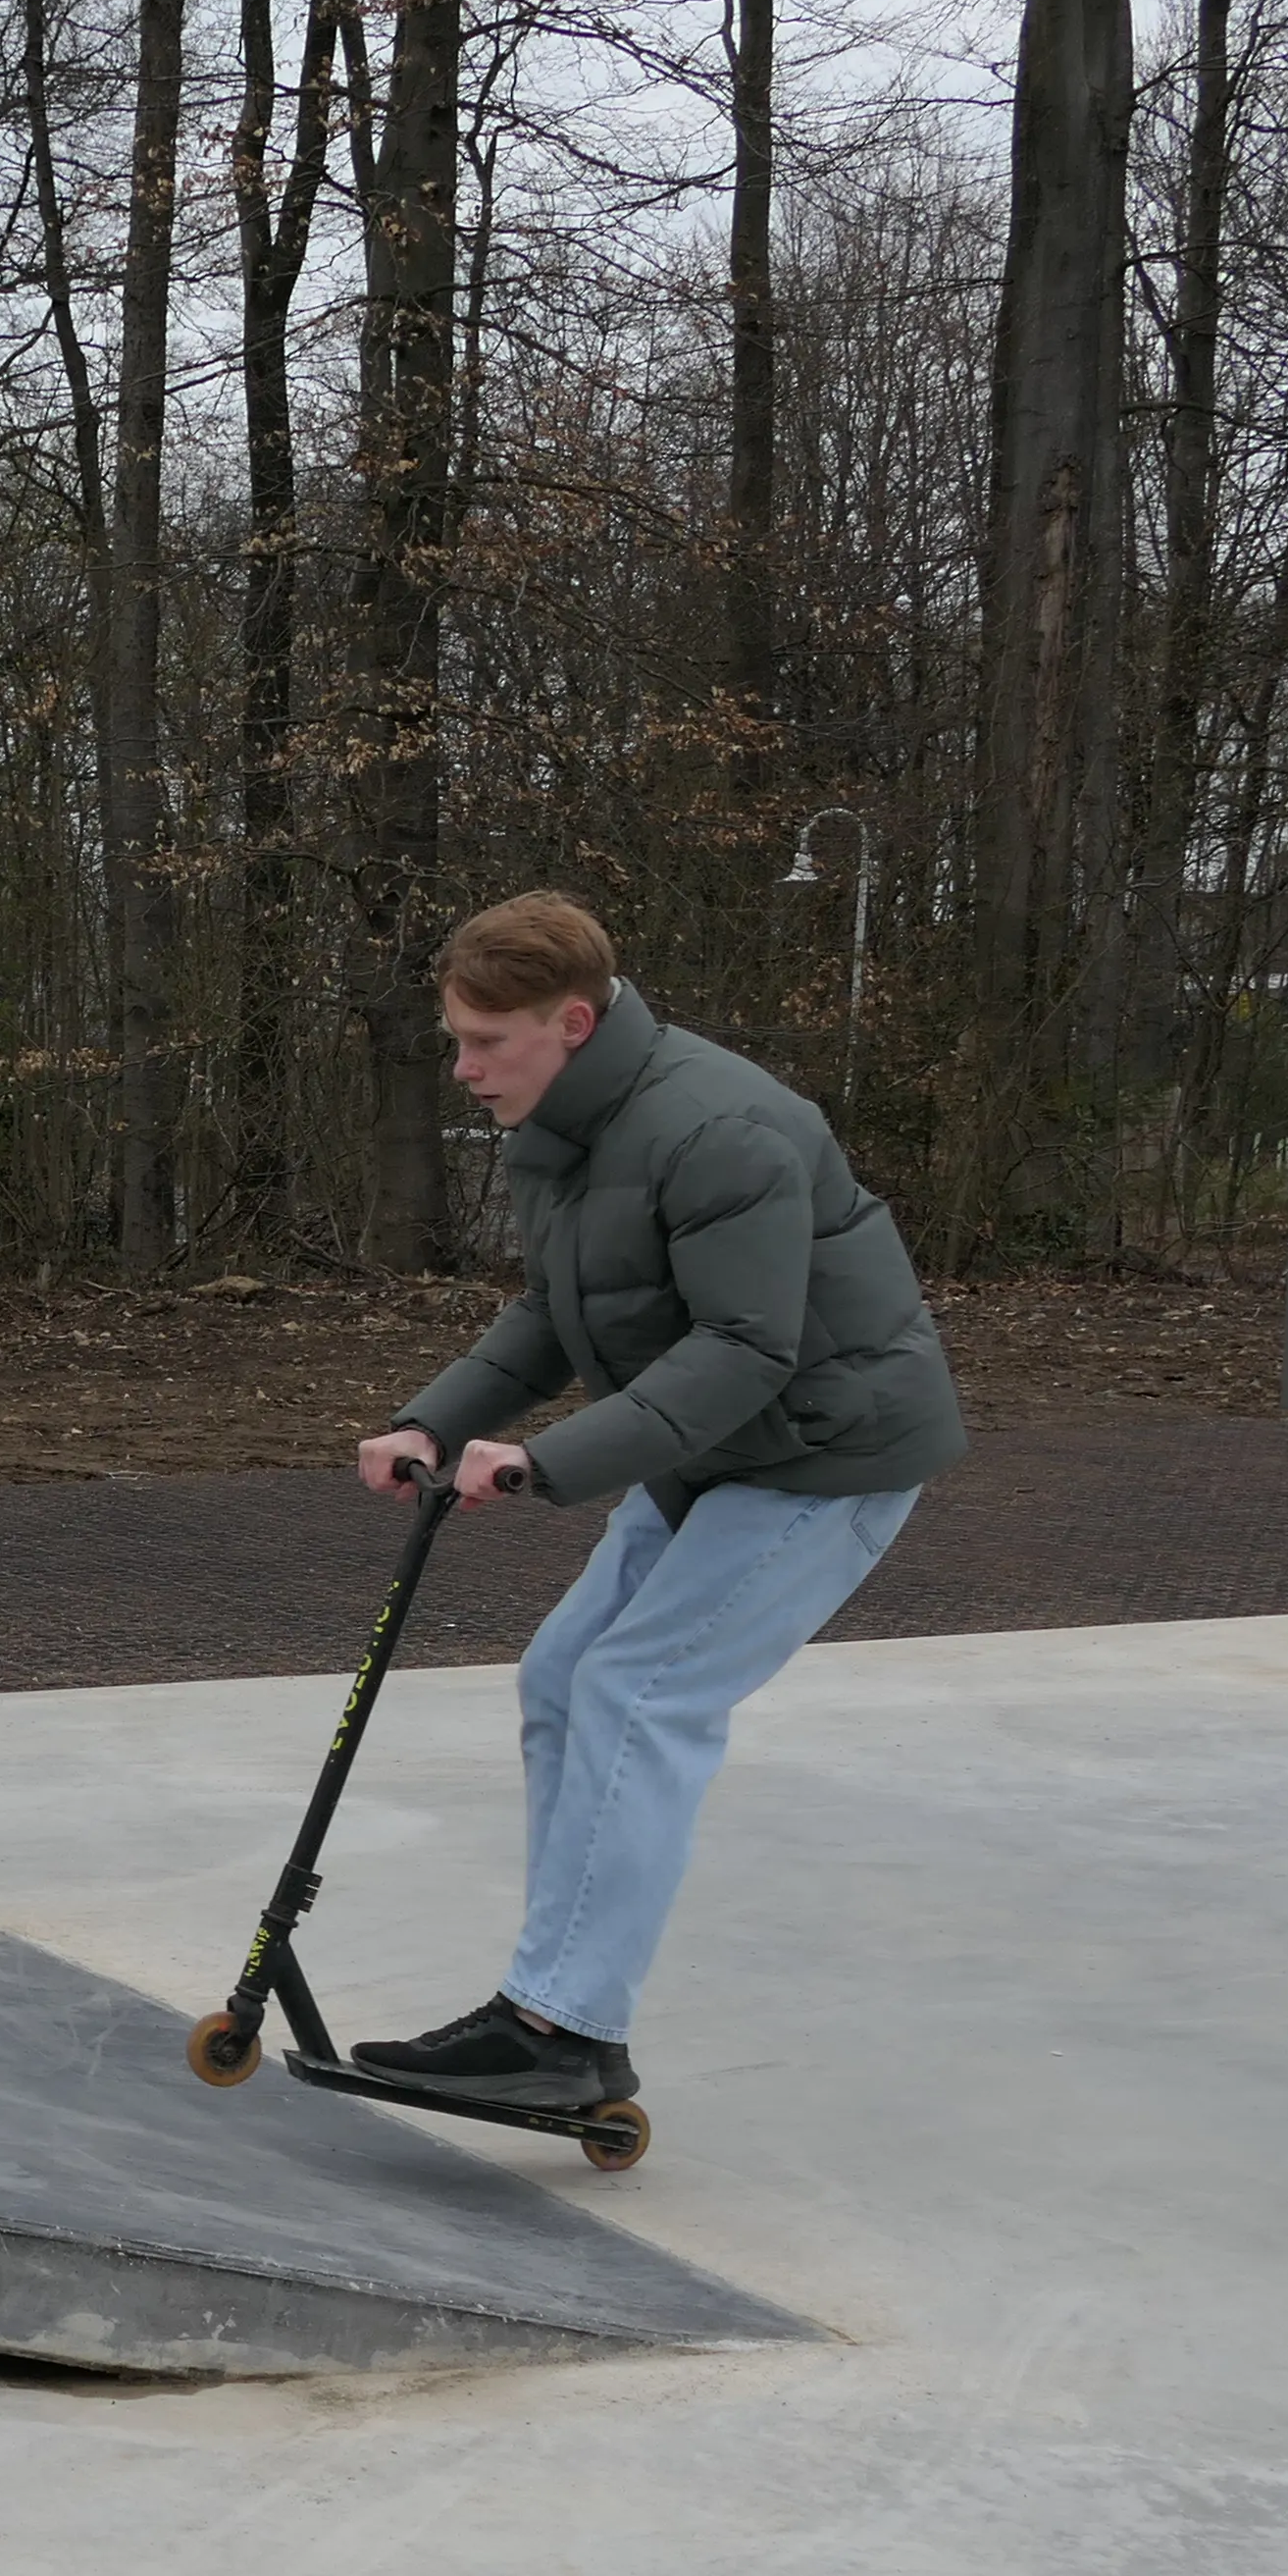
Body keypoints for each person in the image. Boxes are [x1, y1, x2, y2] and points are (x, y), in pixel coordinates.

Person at [350, 891, 967, 2110]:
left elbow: (748, 1348)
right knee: (559, 1681)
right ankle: (548, 2007)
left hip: (822, 1458)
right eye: (456, 1042)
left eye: (488, 1042)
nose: (465, 1069)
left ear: (572, 1021)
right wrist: (439, 1418)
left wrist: (547, 1459)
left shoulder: (719, 1128)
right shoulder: (565, 1126)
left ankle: (562, 2030)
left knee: (639, 1691)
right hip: (716, 1454)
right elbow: (556, 1311)